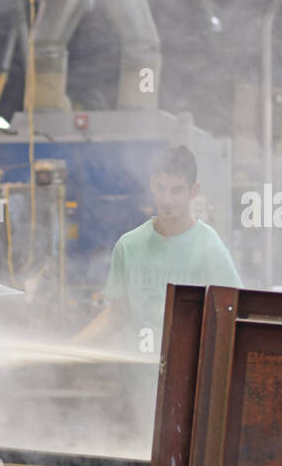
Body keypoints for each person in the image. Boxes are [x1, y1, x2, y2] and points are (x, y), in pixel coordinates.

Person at [73, 144, 241, 351]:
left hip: (189, 377)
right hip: (138, 375)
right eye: (161, 188)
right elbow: (117, 312)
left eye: (177, 190)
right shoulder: (129, 246)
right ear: (152, 185)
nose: (167, 199)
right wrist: (69, 348)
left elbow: (232, 315)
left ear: (194, 190)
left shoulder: (210, 249)